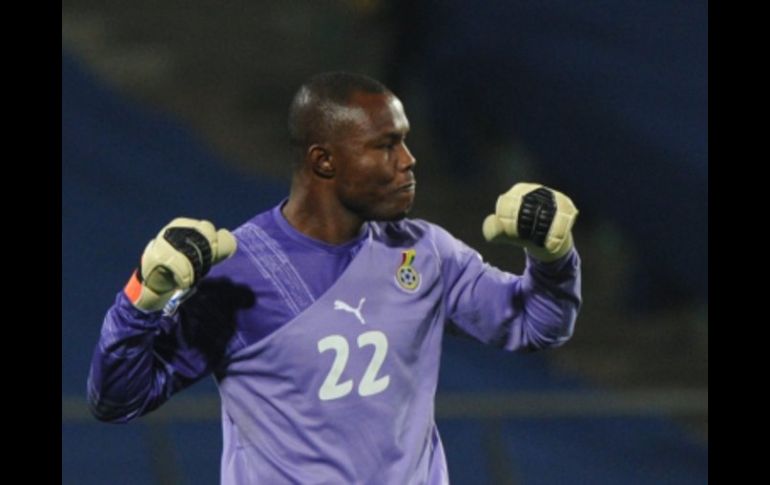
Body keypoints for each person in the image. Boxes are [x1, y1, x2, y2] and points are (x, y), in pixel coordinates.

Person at [87, 72, 582, 484]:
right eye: (386, 145)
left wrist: (553, 259)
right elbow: (117, 399)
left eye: (405, 141)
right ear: (323, 160)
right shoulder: (238, 273)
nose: (408, 161)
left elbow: (537, 325)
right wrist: (142, 300)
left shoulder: (424, 251)